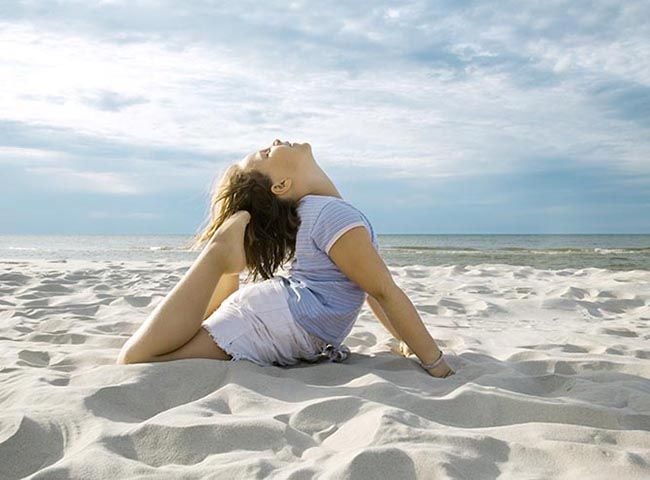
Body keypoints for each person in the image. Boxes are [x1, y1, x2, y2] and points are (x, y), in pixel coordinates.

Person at [116, 140, 455, 379]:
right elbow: (383, 291)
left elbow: (370, 290)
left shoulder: (318, 213)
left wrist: (405, 341)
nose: (276, 140)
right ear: (281, 184)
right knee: (138, 359)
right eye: (266, 152)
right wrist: (435, 363)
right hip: (278, 319)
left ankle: (224, 264)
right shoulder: (331, 213)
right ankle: (220, 253)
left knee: (164, 346)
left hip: (281, 316)